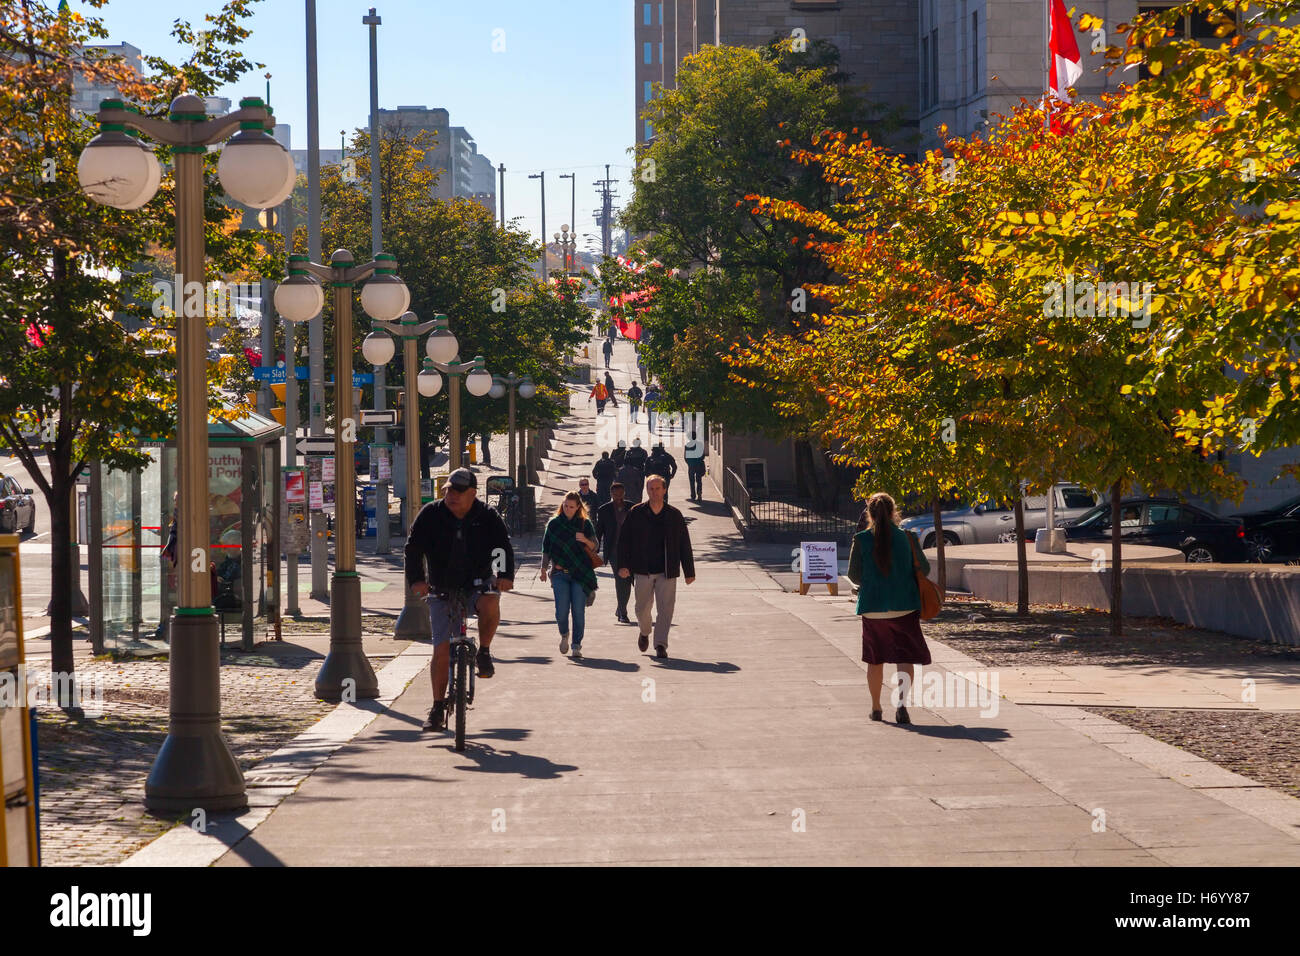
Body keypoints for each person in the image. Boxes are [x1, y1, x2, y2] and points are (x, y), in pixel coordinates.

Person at [405, 467, 515, 732]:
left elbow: (503, 546)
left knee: (491, 600)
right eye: (448, 490)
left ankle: (485, 652)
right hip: (441, 587)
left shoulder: (487, 515)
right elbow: (413, 547)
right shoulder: (431, 513)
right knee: (442, 650)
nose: (451, 495)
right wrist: (417, 580)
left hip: (477, 583)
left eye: (458, 491)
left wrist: (505, 575)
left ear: (473, 494)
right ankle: (437, 707)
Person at [846, 492, 931, 725]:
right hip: (905, 606)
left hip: (873, 608)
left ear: (869, 514)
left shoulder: (861, 539)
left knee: (875, 660)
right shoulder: (909, 538)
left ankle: (876, 708)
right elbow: (924, 568)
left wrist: (871, 583)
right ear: (894, 512)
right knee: (904, 658)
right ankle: (902, 706)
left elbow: (853, 574)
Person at [616, 475, 695, 658]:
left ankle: (660, 644)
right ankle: (644, 631)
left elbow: (684, 543)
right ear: (646, 490)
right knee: (641, 608)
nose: (654, 492)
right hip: (642, 569)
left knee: (666, 609)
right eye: (651, 488)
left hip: (667, 570)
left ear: (665, 490)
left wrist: (689, 571)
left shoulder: (674, 515)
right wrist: (622, 565)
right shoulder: (636, 513)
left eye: (658, 488)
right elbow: (624, 541)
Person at [539, 492, 599, 660]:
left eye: (571, 507)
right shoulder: (553, 524)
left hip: (580, 574)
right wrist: (543, 568)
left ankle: (576, 645)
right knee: (561, 612)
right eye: (565, 505)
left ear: (578, 507)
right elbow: (546, 548)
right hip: (559, 574)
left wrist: (585, 540)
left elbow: (595, 546)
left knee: (578, 612)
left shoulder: (585, 524)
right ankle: (564, 634)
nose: (568, 509)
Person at [595, 482, 633, 623]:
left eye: (621, 494)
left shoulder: (632, 507)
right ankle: (623, 613)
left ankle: (620, 607)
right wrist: (595, 549)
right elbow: (599, 531)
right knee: (620, 579)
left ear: (624, 493)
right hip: (614, 551)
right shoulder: (604, 510)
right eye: (616, 495)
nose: (618, 497)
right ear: (611, 494)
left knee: (628, 580)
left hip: (630, 551)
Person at [684, 431, 707, 501]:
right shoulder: (700, 444)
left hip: (691, 465)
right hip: (699, 464)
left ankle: (693, 495)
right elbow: (703, 455)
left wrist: (689, 463)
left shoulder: (687, 445)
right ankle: (699, 493)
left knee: (692, 480)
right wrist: (700, 460)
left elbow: (685, 457)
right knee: (699, 479)